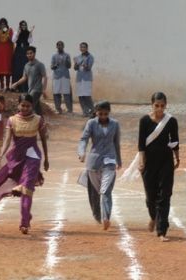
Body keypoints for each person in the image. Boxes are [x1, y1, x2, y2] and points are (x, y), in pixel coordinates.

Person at [0, 94, 49, 235]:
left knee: (26, 188)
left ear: (32, 106)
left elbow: (43, 139)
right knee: (17, 186)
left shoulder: (38, 120)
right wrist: (2, 153)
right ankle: (26, 215)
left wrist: (46, 158)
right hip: (16, 158)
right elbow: (7, 140)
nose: (24, 108)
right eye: (22, 105)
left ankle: (24, 223)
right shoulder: (12, 120)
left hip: (33, 157)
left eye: (28, 106)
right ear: (18, 105)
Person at [138, 92, 179, 242]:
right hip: (149, 161)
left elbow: (175, 141)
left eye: (162, 106)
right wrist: (142, 161)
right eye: (157, 105)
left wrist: (177, 157)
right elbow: (141, 144)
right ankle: (153, 217)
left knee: (165, 194)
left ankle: (162, 230)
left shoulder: (171, 121)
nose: (160, 109)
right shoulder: (144, 121)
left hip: (166, 161)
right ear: (152, 104)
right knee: (151, 196)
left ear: (166, 105)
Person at [78, 101, 122, 230]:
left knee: (105, 191)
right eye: (100, 114)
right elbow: (84, 139)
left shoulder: (115, 124)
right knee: (96, 192)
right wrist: (81, 152)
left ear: (109, 113)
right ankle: (97, 214)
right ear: (96, 113)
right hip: (94, 163)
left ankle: (106, 217)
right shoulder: (91, 123)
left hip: (110, 160)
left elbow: (116, 143)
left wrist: (118, 160)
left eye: (106, 114)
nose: (103, 116)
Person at [11, 46, 47, 115]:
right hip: (30, 89)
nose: (29, 55)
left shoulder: (39, 65)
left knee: (28, 105)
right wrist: (16, 84)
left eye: (31, 53)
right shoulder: (26, 65)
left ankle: (23, 120)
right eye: (28, 54)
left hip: (37, 89)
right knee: (37, 108)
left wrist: (44, 89)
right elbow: (24, 78)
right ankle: (41, 122)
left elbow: (44, 77)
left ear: (34, 53)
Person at [12, 20, 34, 93]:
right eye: (22, 25)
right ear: (20, 26)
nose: (23, 27)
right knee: (17, 69)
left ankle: (25, 88)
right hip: (18, 52)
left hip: (26, 53)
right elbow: (13, 40)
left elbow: (30, 41)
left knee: (25, 69)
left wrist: (30, 33)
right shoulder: (16, 32)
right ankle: (16, 87)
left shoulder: (28, 33)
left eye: (25, 25)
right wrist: (18, 33)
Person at [51, 41, 72, 114]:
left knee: (67, 93)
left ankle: (69, 109)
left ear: (63, 46)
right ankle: (58, 109)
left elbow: (69, 66)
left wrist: (66, 61)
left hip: (65, 76)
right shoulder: (54, 56)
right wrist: (55, 65)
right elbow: (52, 67)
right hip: (56, 77)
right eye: (58, 45)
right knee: (56, 93)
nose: (60, 47)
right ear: (56, 47)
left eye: (61, 45)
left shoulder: (67, 55)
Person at [0, 18, 14, 91]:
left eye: (4, 24)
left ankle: (7, 87)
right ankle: (1, 87)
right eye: (1, 24)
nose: (3, 25)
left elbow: (12, 39)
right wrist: (1, 32)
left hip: (7, 52)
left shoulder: (10, 30)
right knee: (0, 70)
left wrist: (6, 32)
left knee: (7, 69)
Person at [74, 42, 95, 117]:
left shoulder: (90, 57)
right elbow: (75, 68)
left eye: (84, 47)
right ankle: (85, 111)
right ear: (79, 48)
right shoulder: (78, 57)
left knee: (86, 95)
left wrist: (84, 65)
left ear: (87, 48)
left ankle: (92, 110)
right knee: (80, 95)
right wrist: (76, 65)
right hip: (79, 78)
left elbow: (89, 68)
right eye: (81, 47)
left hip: (87, 78)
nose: (82, 48)